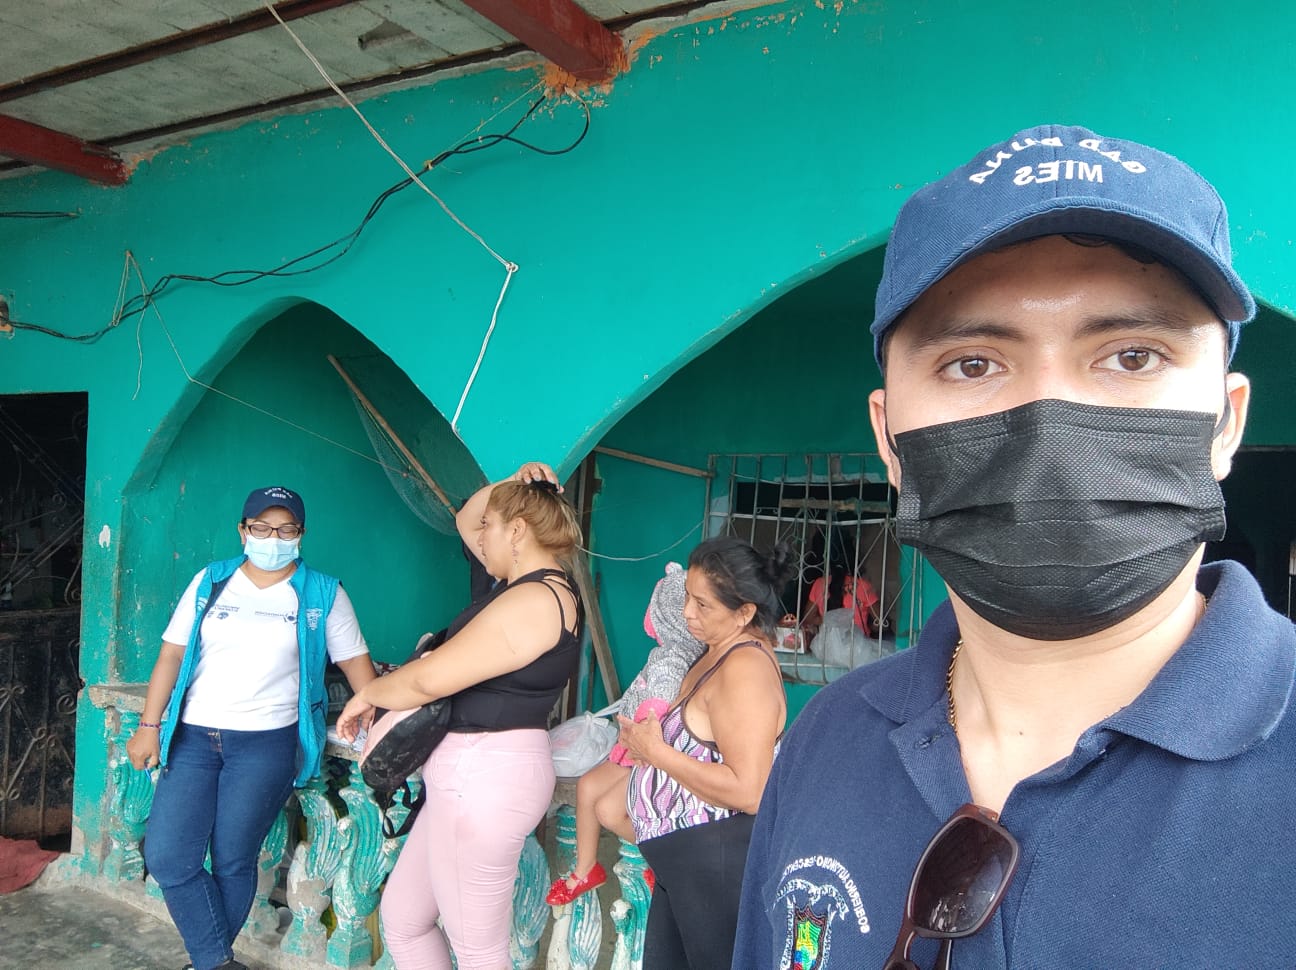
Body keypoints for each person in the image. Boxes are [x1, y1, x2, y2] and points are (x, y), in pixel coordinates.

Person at [733, 124, 1296, 968]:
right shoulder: (827, 738)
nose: (1047, 428)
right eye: (972, 364)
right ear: (889, 441)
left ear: (1227, 423)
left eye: (1132, 355)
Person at [336, 461, 583, 970]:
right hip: (470, 776)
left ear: (517, 531)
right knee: (404, 920)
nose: (480, 538)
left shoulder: (535, 599)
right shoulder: (518, 587)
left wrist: (369, 694)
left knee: (478, 951)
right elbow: (466, 520)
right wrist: (511, 483)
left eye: (492, 528)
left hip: (485, 776)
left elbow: (429, 679)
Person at [125, 486, 377, 970]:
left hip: (266, 744)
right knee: (168, 857)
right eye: (261, 528)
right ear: (243, 531)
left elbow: (357, 668)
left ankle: (209, 963)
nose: (272, 539)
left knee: (233, 859)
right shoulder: (211, 581)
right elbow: (171, 655)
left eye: (285, 529)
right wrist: (149, 725)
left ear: (301, 534)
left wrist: (375, 722)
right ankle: (216, 962)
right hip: (193, 737)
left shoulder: (323, 593)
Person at [617, 536, 790, 969]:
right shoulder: (715, 653)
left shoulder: (745, 669)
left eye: (702, 605)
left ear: (744, 612)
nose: (687, 614)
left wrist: (657, 753)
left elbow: (749, 790)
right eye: (687, 598)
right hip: (686, 868)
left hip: (718, 868)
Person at [545, 560, 705, 906]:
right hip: (633, 748)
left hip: (650, 753)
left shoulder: (676, 659)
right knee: (588, 786)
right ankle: (586, 869)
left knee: (609, 810)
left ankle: (664, 860)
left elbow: (659, 701)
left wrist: (642, 725)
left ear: (666, 616)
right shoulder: (667, 652)